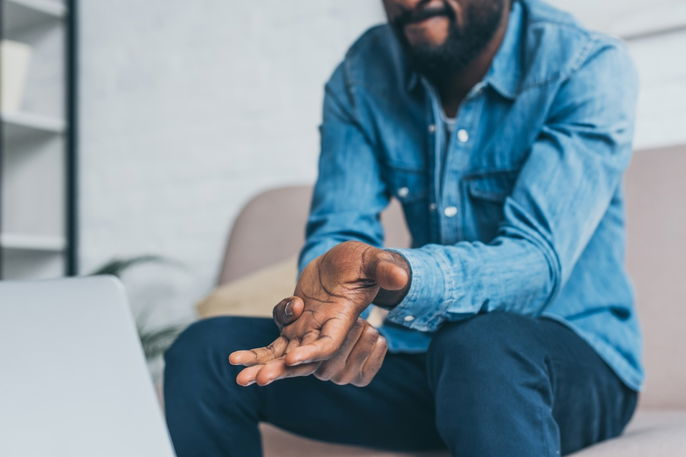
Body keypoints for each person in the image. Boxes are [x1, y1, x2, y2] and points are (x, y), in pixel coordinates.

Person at [164, 0, 643, 455]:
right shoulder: (362, 74)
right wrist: (333, 319)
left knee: (479, 344)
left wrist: (389, 276)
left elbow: (535, 260)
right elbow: (337, 234)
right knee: (205, 354)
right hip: (428, 362)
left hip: (568, 361)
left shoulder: (583, 65)